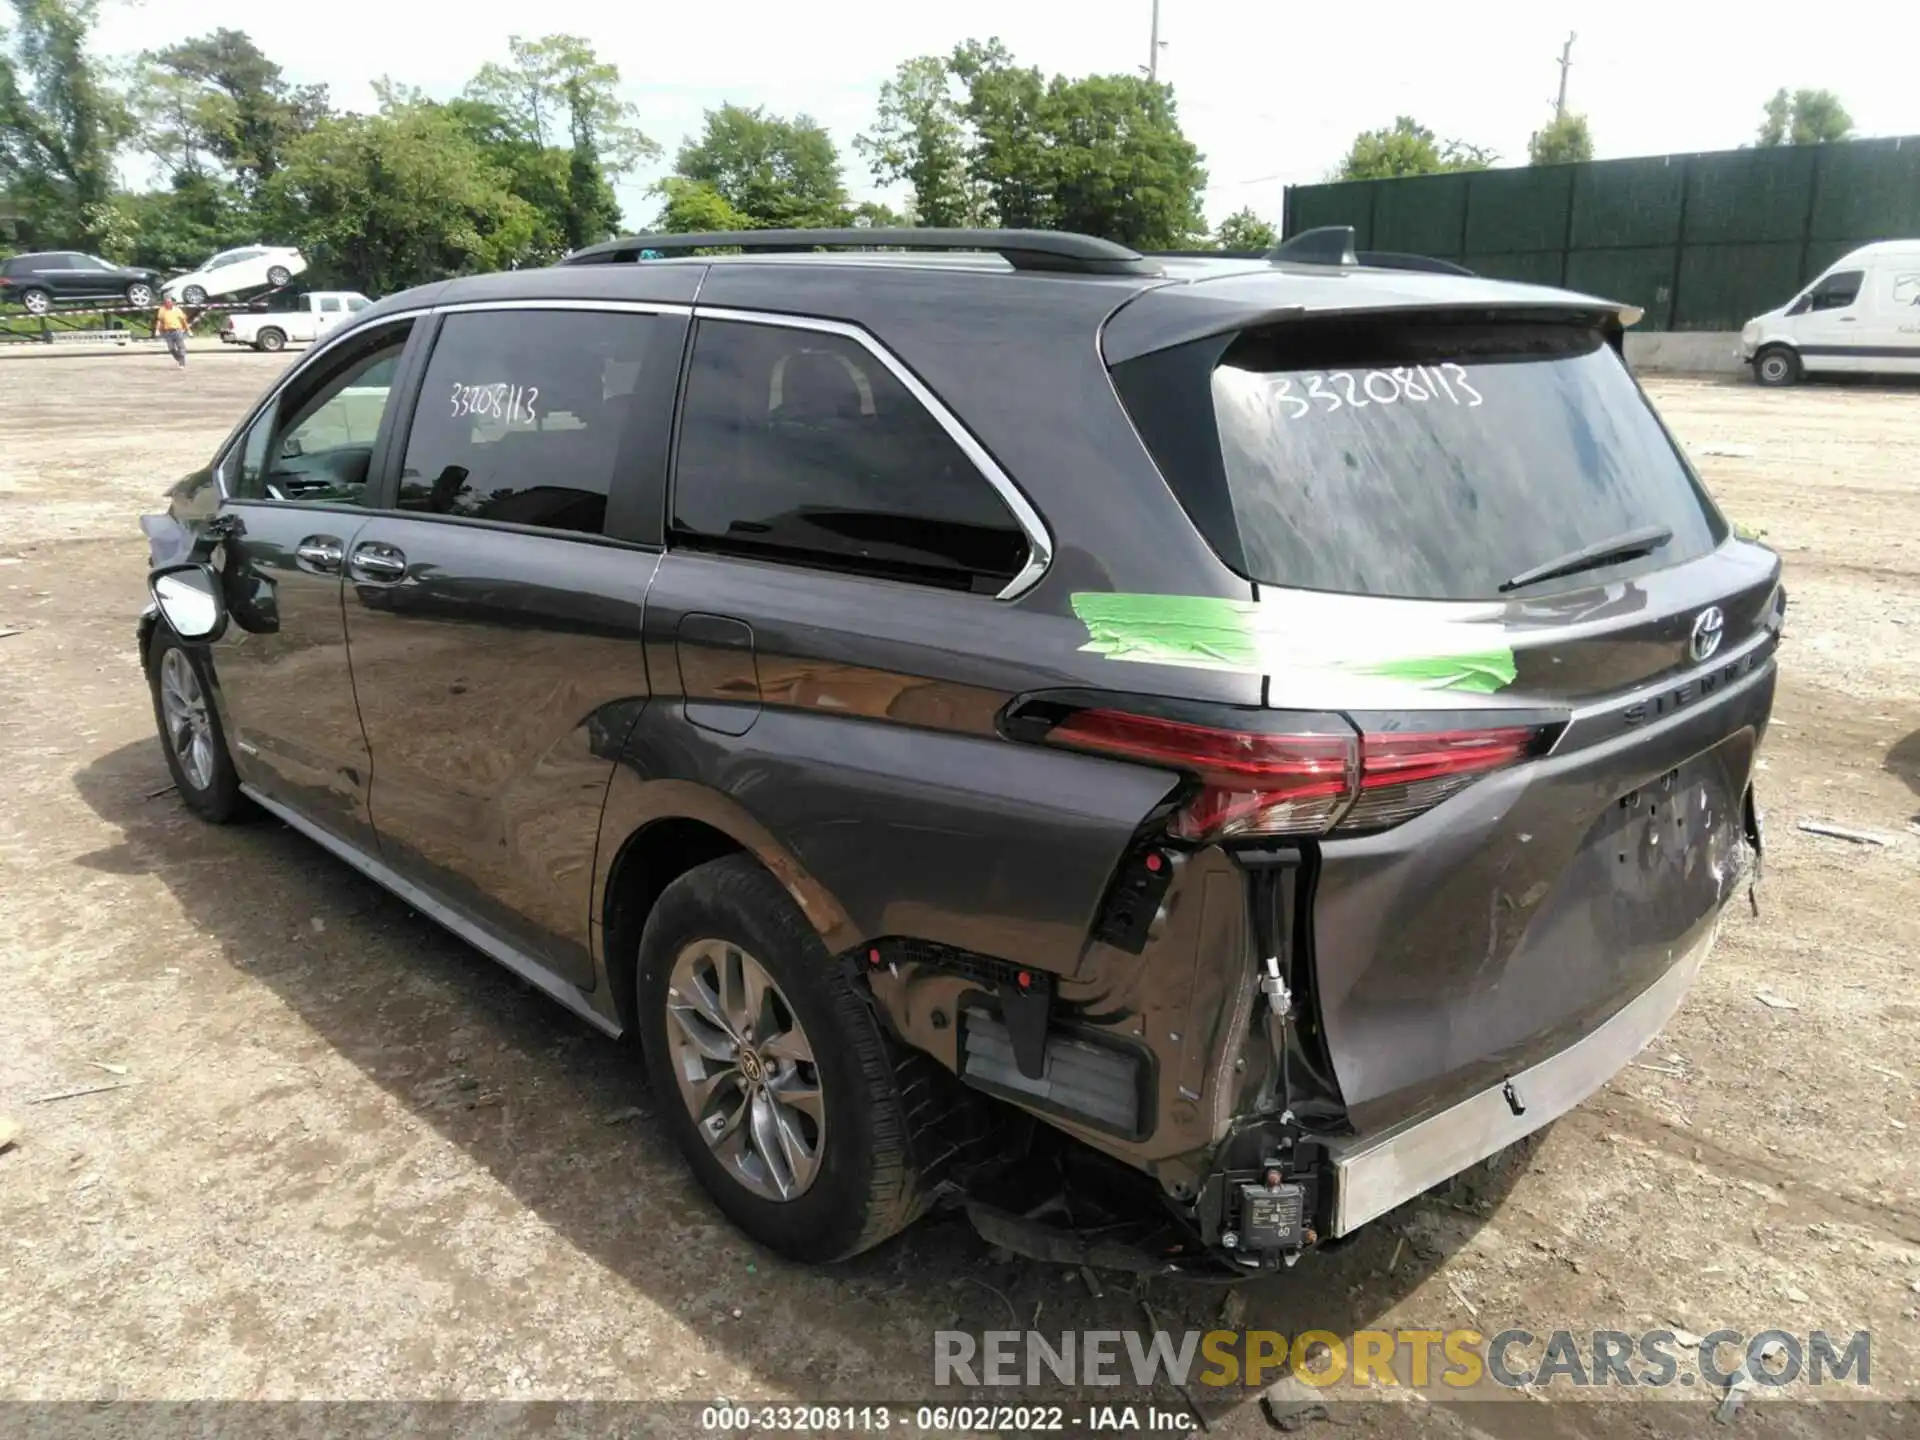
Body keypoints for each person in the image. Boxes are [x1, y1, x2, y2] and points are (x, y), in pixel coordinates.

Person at [155, 296, 190, 368]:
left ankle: (182, 363)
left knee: (180, 346)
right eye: (166, 302)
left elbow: (183, 320)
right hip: (168, 331)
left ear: (172, 303)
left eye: (169, 302)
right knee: (171, 348)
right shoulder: (162, 310)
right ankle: (179, 358)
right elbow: (159, 321)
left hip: (177, 330)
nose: (167, 304)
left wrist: (188, 329)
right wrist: (157, 330)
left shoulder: (177, 310)